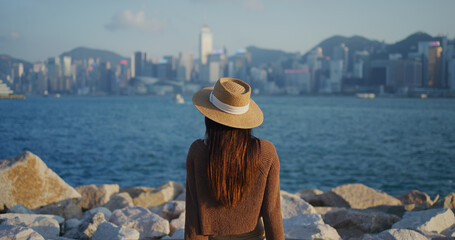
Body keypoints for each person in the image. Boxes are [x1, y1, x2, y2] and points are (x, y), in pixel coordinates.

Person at [185, 77, 284, 240]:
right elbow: (272, 211)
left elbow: (193, 215)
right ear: (246, 120)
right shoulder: (266, 151)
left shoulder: (198, 152)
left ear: (209, 118)